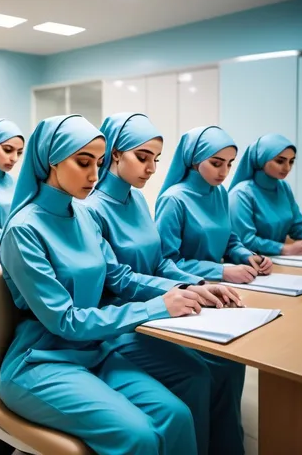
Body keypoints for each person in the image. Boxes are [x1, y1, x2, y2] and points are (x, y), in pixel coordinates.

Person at [0, 114, 227, 455]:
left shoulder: (85, 215)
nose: (94, 175)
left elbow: (117, 277)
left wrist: (181, 290)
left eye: (99, 163)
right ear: (50, 159)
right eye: (83, 162)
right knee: (140, 436)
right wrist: (157, 307)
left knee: (177, 415)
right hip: (42, 360)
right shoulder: (24, 230)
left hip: (95, 348)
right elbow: (64, 321)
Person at [85, 113, 246, 455]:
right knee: (196, 375)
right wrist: (179, 292)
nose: (151, 168)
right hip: (122, 319)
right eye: (142, 158)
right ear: (115, 154)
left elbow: (160, 262)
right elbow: (118, 278)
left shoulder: (137, 200)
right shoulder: (92, 208)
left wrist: (200, 284)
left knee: (228, 361)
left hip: (156, 308)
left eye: (155, 160)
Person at [156, 126, 272, 284]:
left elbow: (229, 241)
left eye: (229, 164)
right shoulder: (173, 200)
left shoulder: (220, 193)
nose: (224, 172)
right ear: (195, 159)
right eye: (216, 163)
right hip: (188, 289)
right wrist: (221, 271)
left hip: (222, 285)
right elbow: (167, 263)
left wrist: (247, 255)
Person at [229, 134, 302, 256]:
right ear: (261, 159)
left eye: (291, 161)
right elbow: (244, 240)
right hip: (247, 264)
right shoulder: (241, 193)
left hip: (279, 261)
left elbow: (297, 226)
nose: (287, 167)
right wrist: (284, 249)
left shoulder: (283, 187)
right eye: (280, 161)